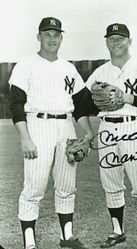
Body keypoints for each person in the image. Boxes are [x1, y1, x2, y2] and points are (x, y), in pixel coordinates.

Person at [9, 17, 92, 249]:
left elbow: (80, 105)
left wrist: (87, 133)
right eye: (47, 34)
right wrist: (25, 139)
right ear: (39, 37)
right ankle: (29, 243)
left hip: (65, 126)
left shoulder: (69, 68)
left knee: (67, 185)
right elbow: (16, 104)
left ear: (61, 37)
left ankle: (67, 237)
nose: (52, 38)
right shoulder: (26, 64)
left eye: (56, 34)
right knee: (34, 187)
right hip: (38, 125)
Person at [82, 23, 137, 249]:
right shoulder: (99, 73)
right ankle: (117, 231)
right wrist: (94, 106)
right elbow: (83, 103)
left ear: (130, 41)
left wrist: (129, 98)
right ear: (106, 41)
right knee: (110, 183)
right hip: (106, 128)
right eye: (111, 38)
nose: (116, 42)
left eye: (120, 38)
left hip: (135, 127)